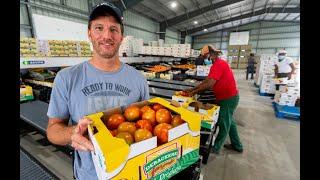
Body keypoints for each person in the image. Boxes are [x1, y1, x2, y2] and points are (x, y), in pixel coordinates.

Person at [46, 2, 149, 179]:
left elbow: (146, 127)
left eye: (114, 29)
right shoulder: (66, 78)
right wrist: (72, 133)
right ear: (89, 33)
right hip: (88, 175)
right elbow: (53, 130)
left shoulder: (139, 79)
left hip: (131, 174)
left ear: (121, 36)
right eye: (99, 28)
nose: (106, 35)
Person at [184, 45, 243, 155]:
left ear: (210, 55)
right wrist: (193, 89)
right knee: (230, 121)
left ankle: (216, 147)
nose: (204, 59)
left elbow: (210, 84)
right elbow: (207, 80)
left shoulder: (219, 64)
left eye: (205, 56)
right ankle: (237, 145)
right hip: (227, 97)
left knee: (223, 123)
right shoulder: (216, 65)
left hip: (228, 98)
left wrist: (194, 92)